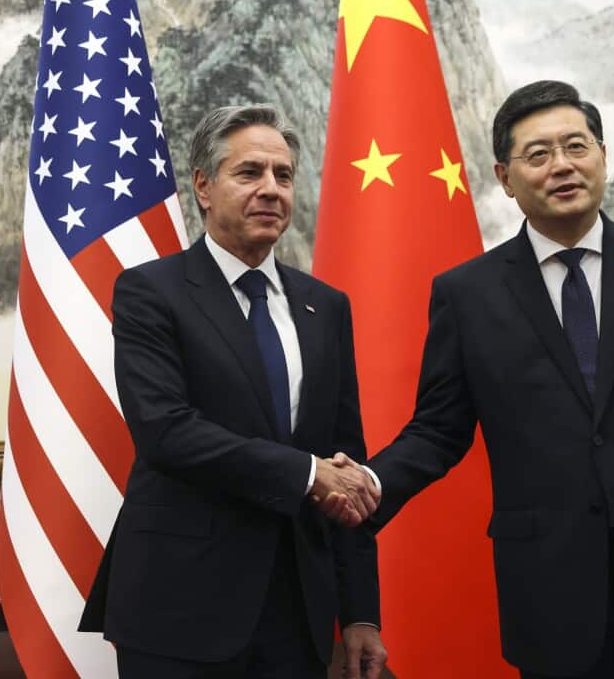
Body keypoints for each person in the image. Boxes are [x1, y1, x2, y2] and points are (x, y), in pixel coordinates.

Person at [357, 80, 614, 678]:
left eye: (576, 146)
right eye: (539, 154)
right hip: (551, 587)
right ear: (505, 177)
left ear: (602, 155)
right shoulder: (468, 294)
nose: (562, 166)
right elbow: (438, 431)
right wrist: (365, 487)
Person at [79, 104, 387, 679]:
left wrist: (361, 614)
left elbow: (346, 461)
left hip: (299, 612)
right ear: (203, 186)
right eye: (250, 173)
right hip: (181, 605)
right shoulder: (151, 292)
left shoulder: (326, 306)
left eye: (284, 175)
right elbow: (165, 432)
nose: (271, 190)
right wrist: (306, 473)